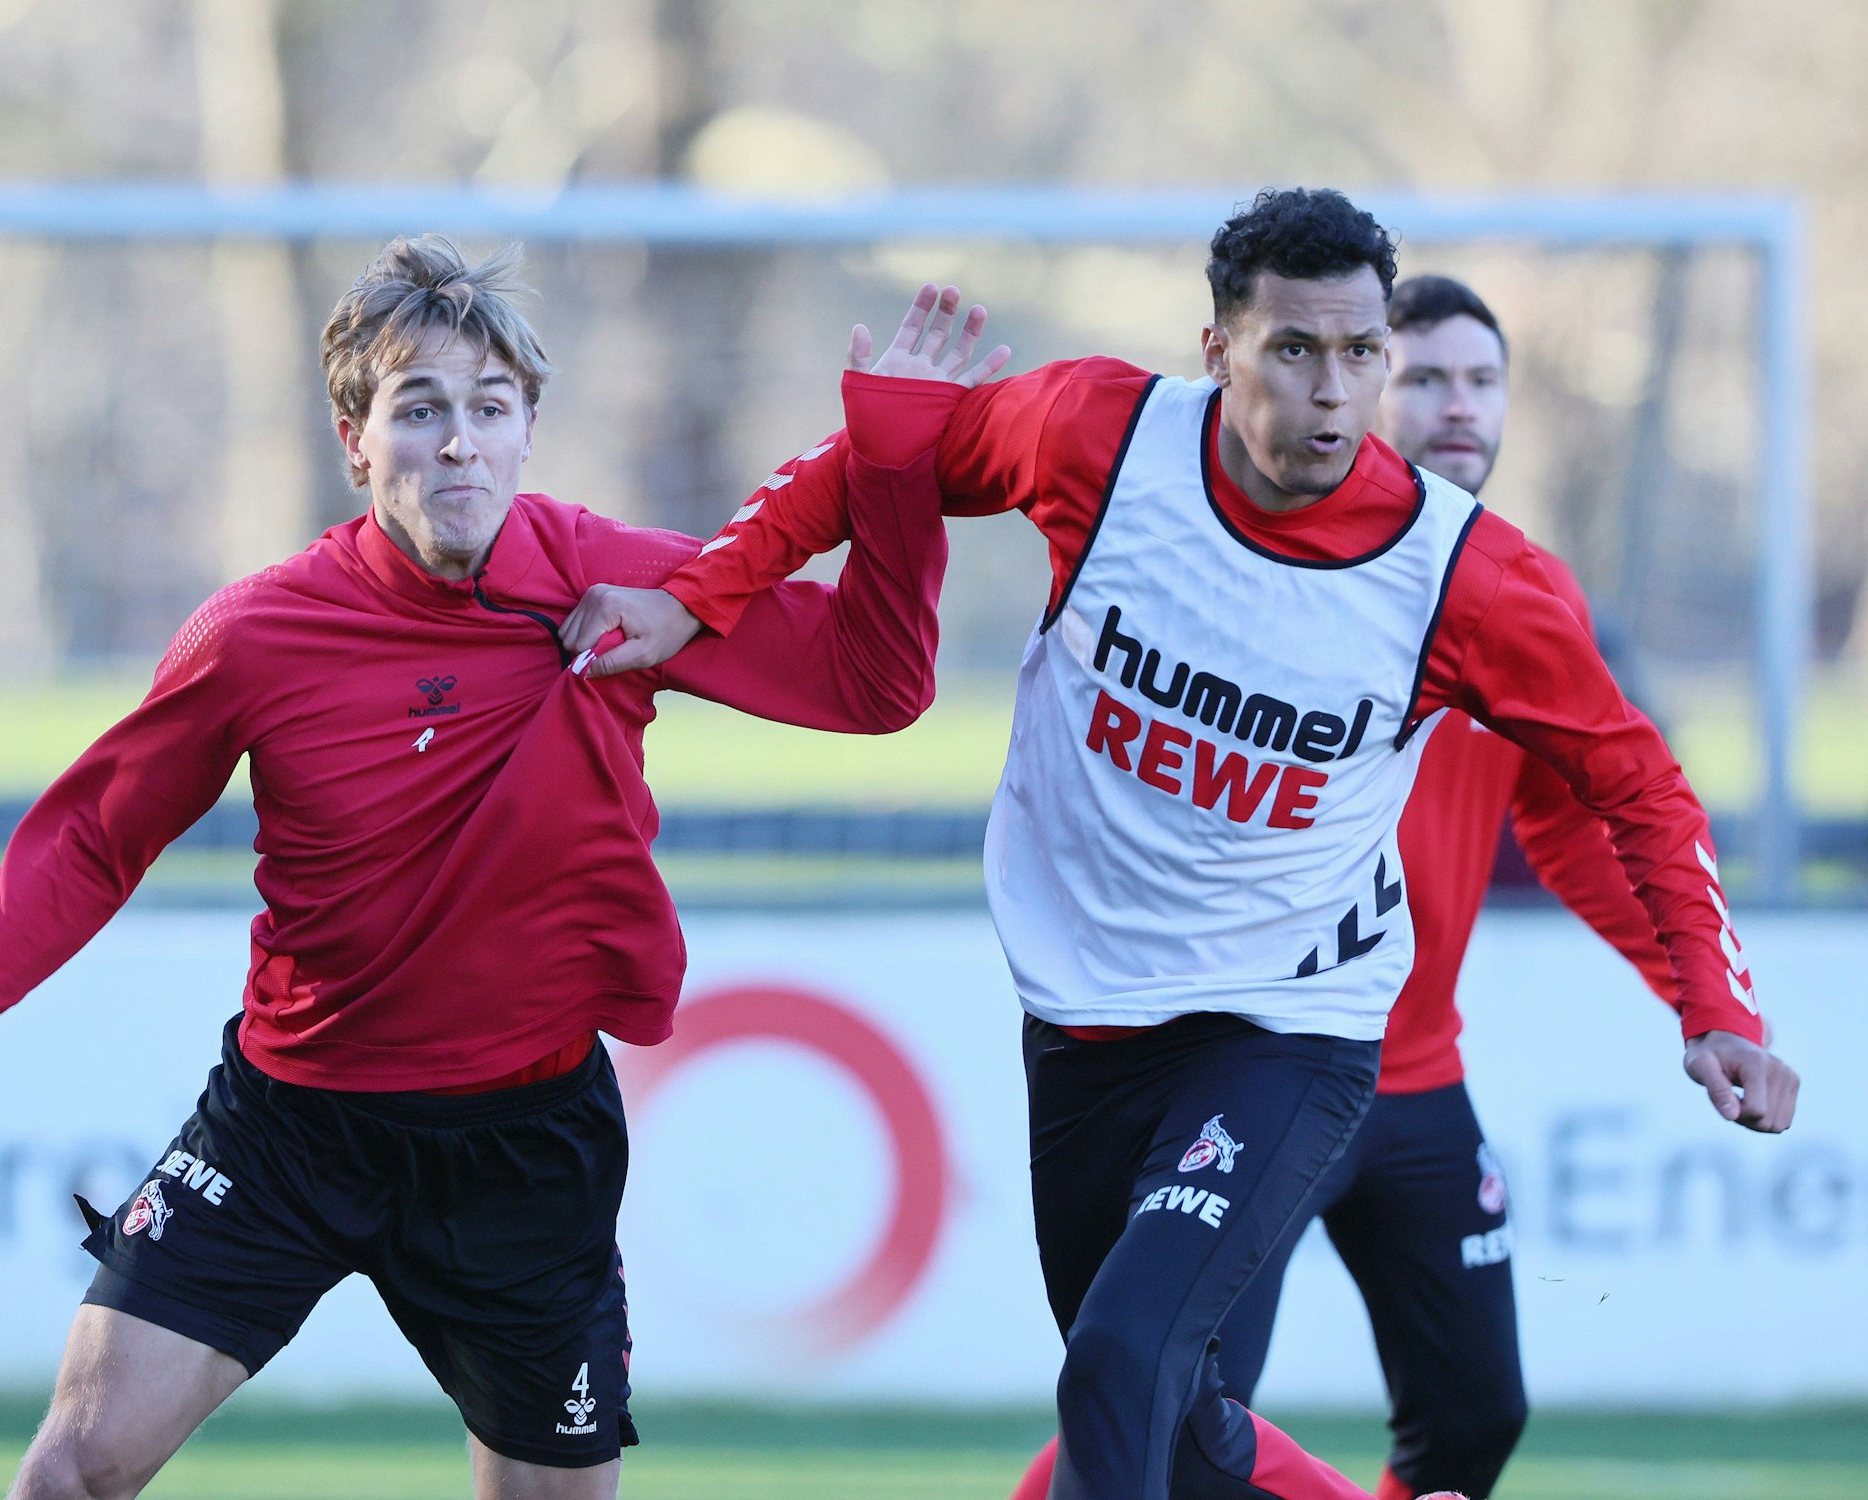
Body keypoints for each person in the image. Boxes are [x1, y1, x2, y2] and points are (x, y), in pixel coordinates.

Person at [560, 190, 1799, 1500]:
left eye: (1360, 353)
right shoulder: (1098, 432)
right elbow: (885, 459)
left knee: (1118, 1370)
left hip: (1285, 1031)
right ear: (1217, 348)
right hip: (1081, 1027)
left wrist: (1714, 1007)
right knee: (1172, 1418)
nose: (1334, 393)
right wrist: (693, 599)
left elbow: (1637, 787)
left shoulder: (1469, 578)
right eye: (1294, 351)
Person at [0, 236, 1002, 1500]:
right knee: (65, 1476)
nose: (457, 440)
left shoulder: (606, 584)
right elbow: (88, 846)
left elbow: (874, 682)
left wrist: (894, 466)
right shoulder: (255, 635)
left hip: (524, 1147)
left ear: (526, 434)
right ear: (357, 442)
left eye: (488, 408)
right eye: (419, 409)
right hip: (288, 1125)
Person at [998, 274, 1708, 1500]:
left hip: (1415, 1078)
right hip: (1253, 1044)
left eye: (1480, 381)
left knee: (1476, 1414)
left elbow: (1578, 822)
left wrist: (1700, 1002)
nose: (1454, 407)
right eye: (1423, 377)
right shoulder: (1276, 582)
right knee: (1156, 1393)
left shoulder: (1508, 599)